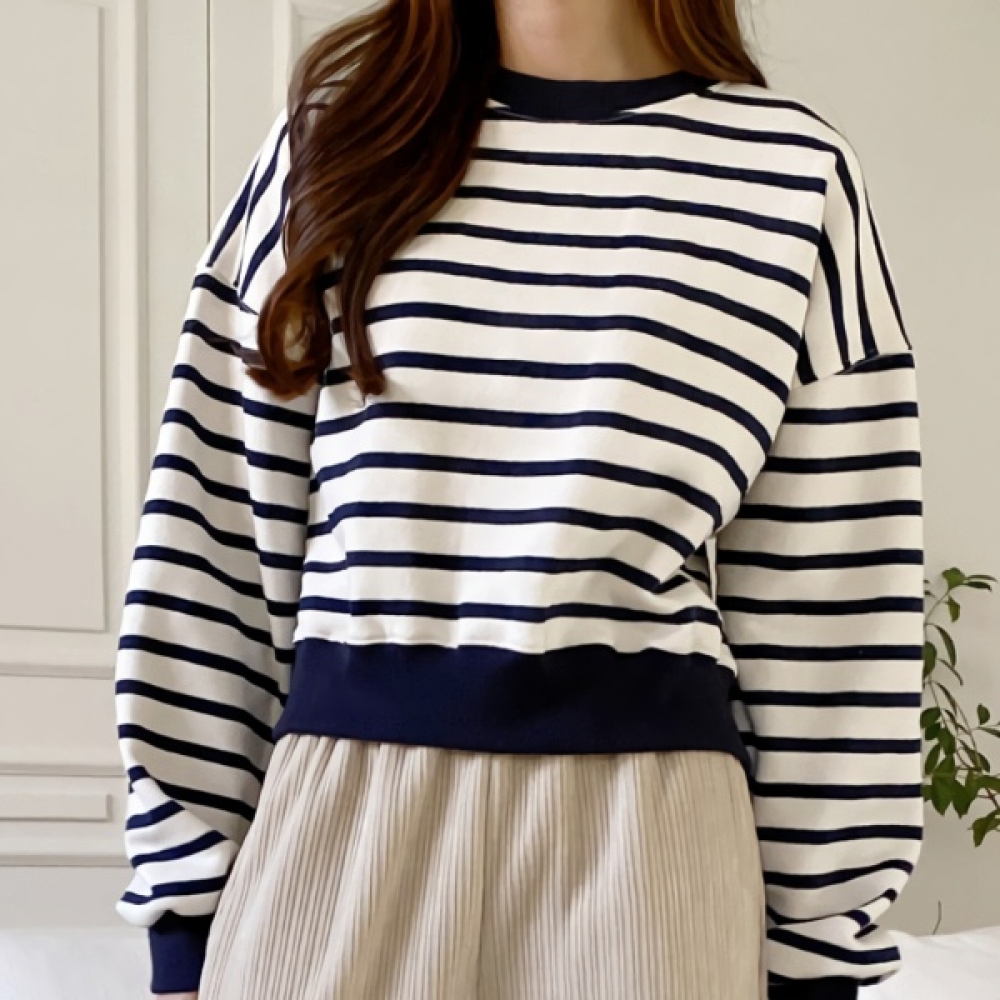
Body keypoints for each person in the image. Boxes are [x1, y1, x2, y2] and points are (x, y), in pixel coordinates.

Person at [112, 0, 926, 998]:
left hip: (650, 856)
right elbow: (217, 542)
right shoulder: (336, 142)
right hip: (339, 835)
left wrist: (817, 955)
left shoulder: (792, 177)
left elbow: (835, 611)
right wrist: (184, 917)